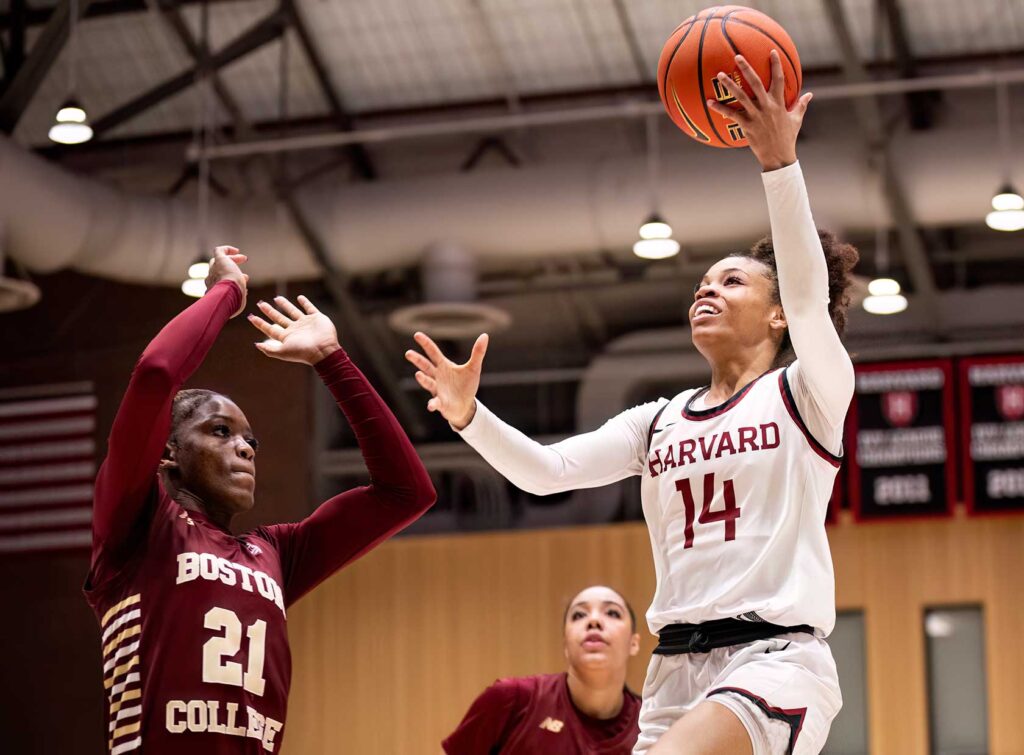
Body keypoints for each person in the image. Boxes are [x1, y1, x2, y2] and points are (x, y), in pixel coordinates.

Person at [407, 51, 857, 755]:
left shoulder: (808, 393)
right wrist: (470, 416)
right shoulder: (657, 421)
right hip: (675, 667)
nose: (707, 289)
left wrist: (778, 164)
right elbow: (546, 471)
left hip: (774, 660)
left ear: (778, 319)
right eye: (703, 282)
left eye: (733, 281)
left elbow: (807, 296)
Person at [85, 246, 435, 754]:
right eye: (220, 431)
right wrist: (225, 293)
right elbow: (157, 374)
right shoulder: (138, 522)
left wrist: (331, 361)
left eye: (251, 440)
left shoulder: (274, 554)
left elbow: (407, 492)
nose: (245, 447)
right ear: (168, 453)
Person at [443, 585, 642, 754]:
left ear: (634, 643)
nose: (594, 621)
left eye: (612, 613)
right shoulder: (512, 699)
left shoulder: (651, 723)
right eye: (579, 615)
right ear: (565, 644)